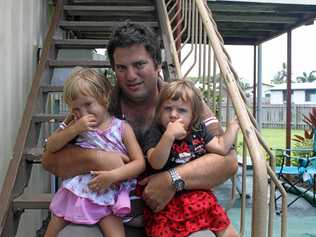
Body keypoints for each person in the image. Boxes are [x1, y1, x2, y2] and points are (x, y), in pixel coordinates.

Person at [42, 22, 238, 237]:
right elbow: (50, 161)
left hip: (175, 218)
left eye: (139, 65)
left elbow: (226, 161)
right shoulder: (98, 105)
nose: (131, 75)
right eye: (121, 68)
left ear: (157, 64)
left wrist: (172, 179)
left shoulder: (182, 103)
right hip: (108, 217)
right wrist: (97, 158)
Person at [44, 67, 145, 237]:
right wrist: (74, 129)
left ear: (104, 98)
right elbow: (51, 146)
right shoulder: (75, 125)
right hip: (77, 191)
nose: (83, 113)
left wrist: (114, 176)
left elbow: (139, 163)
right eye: (76, 109)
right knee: (52, 230)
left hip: (107, 192)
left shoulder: (121, 128)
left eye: (88, 104)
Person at [142, 79, 239, 237]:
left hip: (198, 195)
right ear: (159, 111)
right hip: (167, 201)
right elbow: (156, 162)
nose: (173, 115)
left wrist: (234, 127)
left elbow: (221, 147)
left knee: (225, 228)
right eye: (167, 108)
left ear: (194, 115)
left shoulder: (198, 130)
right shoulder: (156, 132)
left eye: (181, 110)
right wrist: (169, 136)